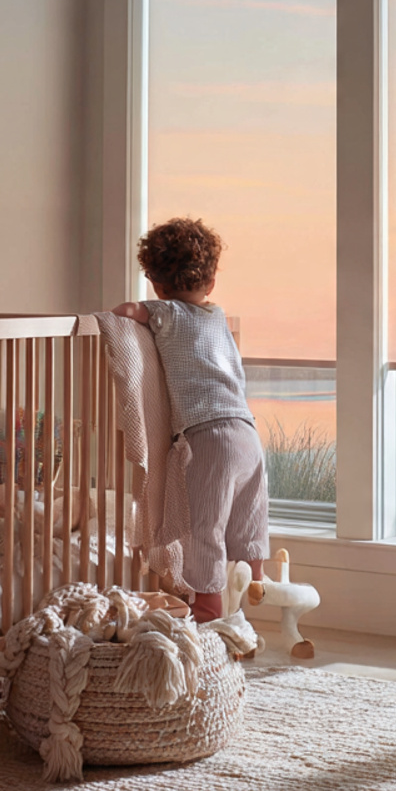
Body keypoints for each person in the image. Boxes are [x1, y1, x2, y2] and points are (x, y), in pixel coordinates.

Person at [112, 217, 268, 623]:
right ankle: (257, 575)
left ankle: (207, 603)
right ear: (211, 281)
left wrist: (121, 318)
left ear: (155, 281)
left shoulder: (166, 313)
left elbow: (125, 312)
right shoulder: (217, 317)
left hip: (208, 432)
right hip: (246, 430)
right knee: (248, 509)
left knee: (206, 524)